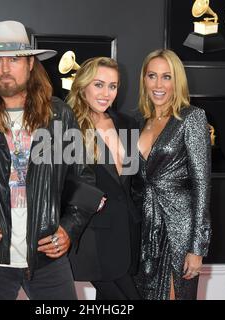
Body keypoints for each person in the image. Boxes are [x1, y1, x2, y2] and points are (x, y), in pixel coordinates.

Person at [0, 20, 104, 300]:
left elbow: (82, 180)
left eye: (14, 59)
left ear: (30, 65)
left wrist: (69, 228)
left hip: (47, 256)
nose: (4, 68)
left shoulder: (59, 114)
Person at [132, 49, 212, 300]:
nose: (158, 84)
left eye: (167, 77)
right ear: (143, 79)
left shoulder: (191, 118)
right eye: (152, 76)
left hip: (178, 230)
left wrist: (197, 247)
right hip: (144, 228)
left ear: (177, 81)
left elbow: (202, 185)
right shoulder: (137, 121)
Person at [66, 57, 141, 300]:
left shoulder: (128, 124)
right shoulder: (69, 126)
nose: (106, 93)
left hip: (126, 235)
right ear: (82, 86)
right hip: (91, 237)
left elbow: (130, 184)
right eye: (98, 84)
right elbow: (56, 181)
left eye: (113, 86)